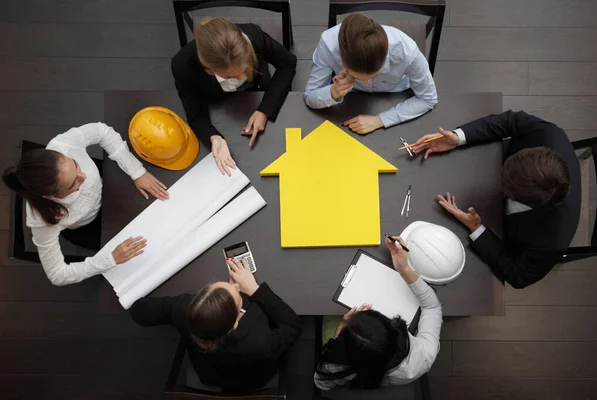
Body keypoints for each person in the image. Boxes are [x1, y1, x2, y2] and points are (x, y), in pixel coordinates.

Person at [411, 110, 581, 288]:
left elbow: (519, 276)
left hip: (503, 232)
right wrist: (457, 137)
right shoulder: (550, 135)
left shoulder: (552, 241)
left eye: (506, 183)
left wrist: (476, 228)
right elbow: (510, 121)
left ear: (521, 199)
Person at [2, 123, 168, 286]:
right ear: (49, 196)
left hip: (110, 187)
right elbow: (57, 275)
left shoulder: (63, 144)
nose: (84, 176)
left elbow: (102, 131)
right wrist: (110, 259)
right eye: (73, 183)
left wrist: (137, 172)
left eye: (76, 165)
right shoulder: (41, 220)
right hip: (89, 227)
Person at [130, 258, 302, 391]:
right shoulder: (261, 342)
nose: (235, 286)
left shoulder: (182, 309)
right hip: (253, 380)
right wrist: (254, 290)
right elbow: (292, 326)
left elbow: (138, 312)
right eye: (237, 295)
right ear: (235, 324)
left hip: (207, 373)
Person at [172, 18, 297, 176]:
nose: (240, 78)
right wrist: (214, 137)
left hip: (259, 91)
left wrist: (265, 109)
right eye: (230, 76)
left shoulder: (254, 35)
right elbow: (195, 115)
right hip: (216, 103)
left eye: (244, 68)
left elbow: (288, 63)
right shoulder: (182, 65)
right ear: (209, 69)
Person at [314, 236, 442, 390]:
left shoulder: (337, 367)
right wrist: (404, 268)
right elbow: (432, 307)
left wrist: (342, 324)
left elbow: (320, 383)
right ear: (393, 328)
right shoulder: (424, 358)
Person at [304, 13, 438, 135]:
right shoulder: (328, 44)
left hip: (397, 94)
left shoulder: (407, 51)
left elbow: (428, 99)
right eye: (356, 77)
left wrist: (380, 120)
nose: (366, 82)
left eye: (374, 75)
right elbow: (310, 96)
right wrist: (332, 91)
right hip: (352, 97)